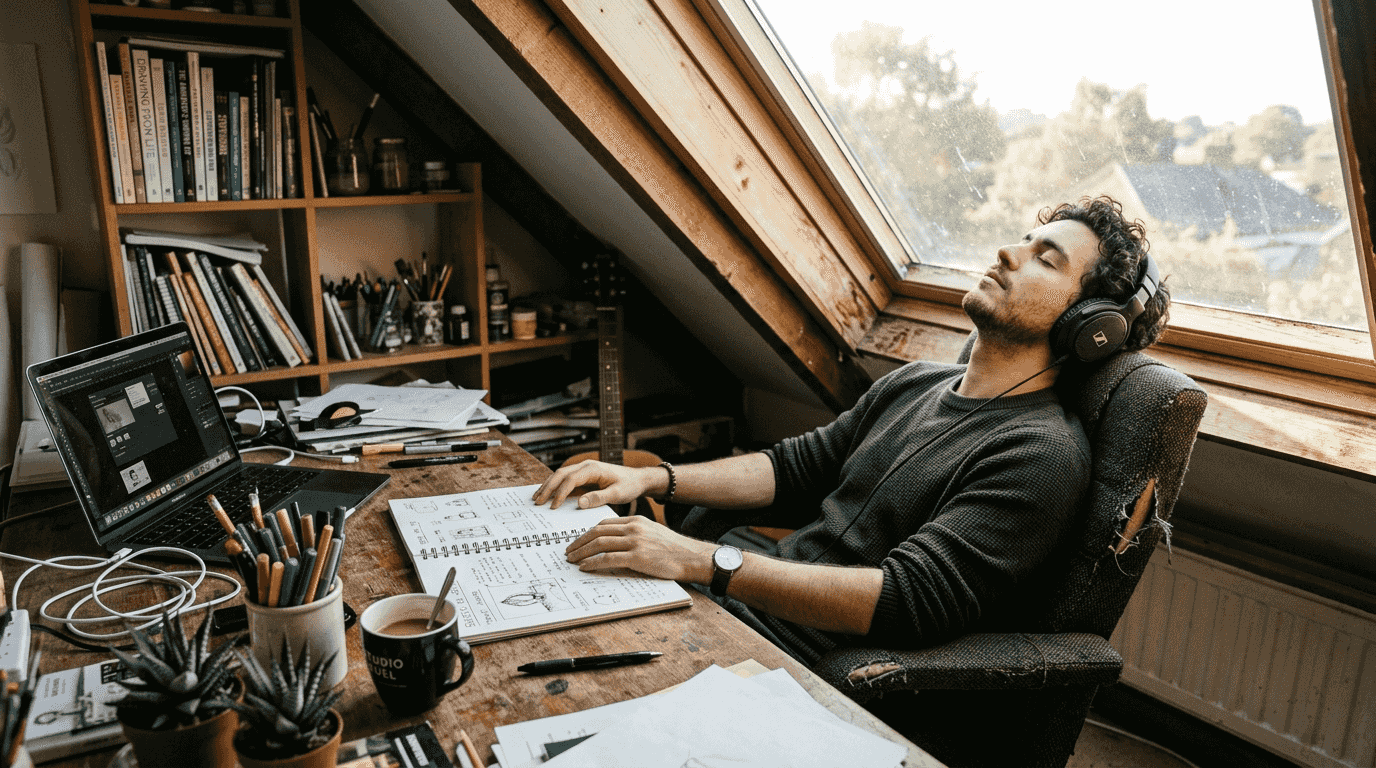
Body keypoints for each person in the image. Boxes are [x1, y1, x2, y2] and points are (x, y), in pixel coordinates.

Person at [533, 195, 1170, 665]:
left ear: (1090, 325)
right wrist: (649, 476)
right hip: (731, 614)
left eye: (1045, 258)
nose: (1008, 252)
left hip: (795, 664)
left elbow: (903, 598)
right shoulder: (916, 382)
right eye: (1024, 240)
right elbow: (794, 468)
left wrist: (702, 559)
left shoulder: (1041, 455)